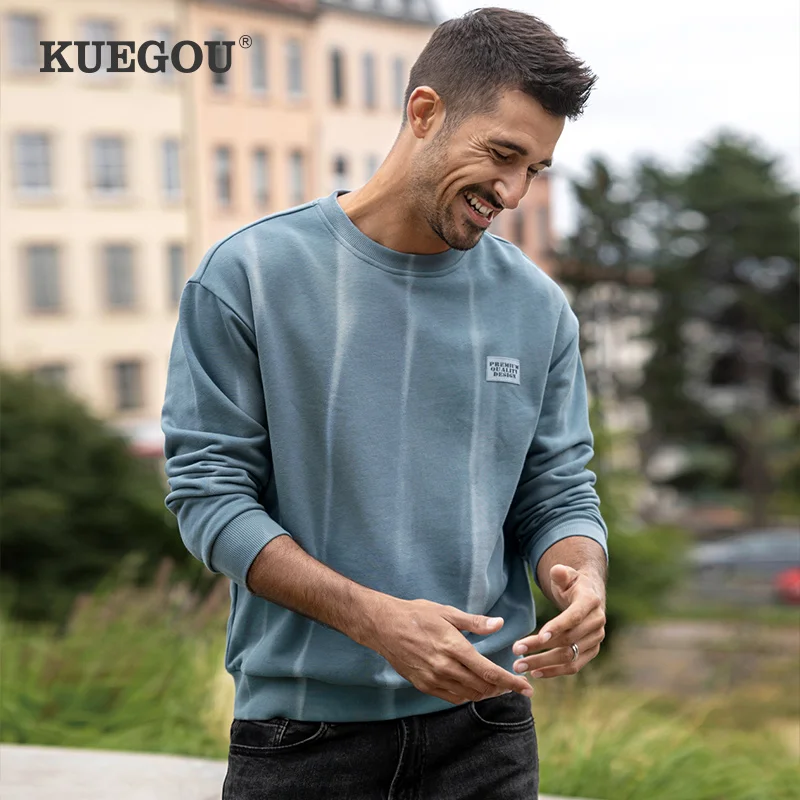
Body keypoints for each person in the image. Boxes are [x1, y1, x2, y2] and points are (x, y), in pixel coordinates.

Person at [161, 7, 608, 799]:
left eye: (535, 169)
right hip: (302, 738)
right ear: (424, 112)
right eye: (503, 154)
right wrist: (373, 619)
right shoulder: (249, 275)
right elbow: (209, 498)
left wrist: (581, 576)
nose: (512, 191)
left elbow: (557, 493)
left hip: (487, 731)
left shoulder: (537, 307)